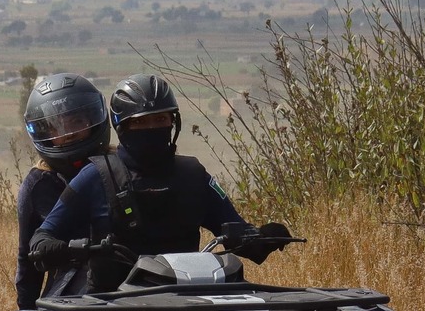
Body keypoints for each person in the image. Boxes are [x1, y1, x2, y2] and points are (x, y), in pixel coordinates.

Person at [28, 74, 290, 292]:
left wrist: (263, 237)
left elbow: (236, 232)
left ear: (173, 123)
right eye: (140, 122)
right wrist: (58, 248)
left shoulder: (194, 175)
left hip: (186, 301)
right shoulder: (95, 175)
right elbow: (43, 236)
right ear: (122, 127)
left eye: (160, 119)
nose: (151, 128)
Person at [14, 73, 109, 308]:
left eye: (77, 121)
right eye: (56, 126)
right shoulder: (38, 184)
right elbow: (28, 261)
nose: (69, 132)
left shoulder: (117, 168)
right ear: (44, 133)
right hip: (71, 296)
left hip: (132, 285)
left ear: (93, 119)